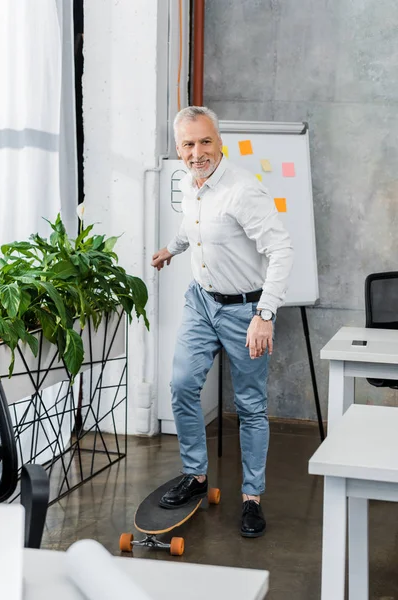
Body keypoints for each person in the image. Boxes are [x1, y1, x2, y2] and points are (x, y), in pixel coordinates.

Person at [151, 106, 293, 537]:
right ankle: (196, 477)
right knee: (181, 385)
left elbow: (282, 251)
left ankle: (252, 498)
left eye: (205, 141)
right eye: (189, 144)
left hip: (244, 310)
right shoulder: (190, 183)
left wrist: (264, 315)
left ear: (219, 141)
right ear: (179, 149)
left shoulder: (243, 191)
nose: (198, 152)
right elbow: (192, 225)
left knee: (250, 406)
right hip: (201, 302)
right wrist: (171, 249)